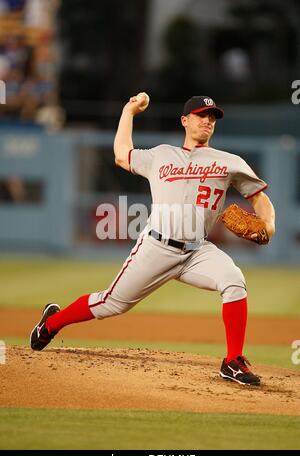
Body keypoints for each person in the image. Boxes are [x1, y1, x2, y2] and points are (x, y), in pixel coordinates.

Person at [30, 94, 276, 386]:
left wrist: (269, 225)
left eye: (212, 117)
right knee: (111, 304)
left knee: (234, 280)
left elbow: (259, 198)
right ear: (185, 121)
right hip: (157, 246)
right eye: (201, 115)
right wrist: (128, 111)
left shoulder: (229, 162)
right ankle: (52, 322)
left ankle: (232, 361)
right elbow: (122, 153)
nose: (208, 121)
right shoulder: (161, 155)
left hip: (198, 251)